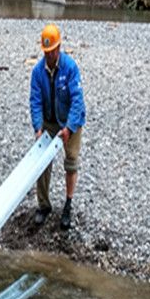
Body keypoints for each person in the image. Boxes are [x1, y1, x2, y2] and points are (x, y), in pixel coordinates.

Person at [29, 23, 86, 230]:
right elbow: (35, 102)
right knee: (42, 163)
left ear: (59, 48)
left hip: (71, 119)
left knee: (71, 161)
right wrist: (38, 128)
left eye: (52, 51)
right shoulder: (38, 72)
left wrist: (69, 128)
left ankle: (68, 205)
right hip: (49, 121)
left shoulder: (70, 68)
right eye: (46, 52)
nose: (50, 55)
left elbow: (77, 100)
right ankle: (44, 206)